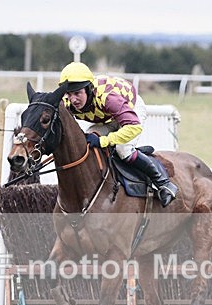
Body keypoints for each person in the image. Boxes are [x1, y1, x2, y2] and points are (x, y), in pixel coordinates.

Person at [58, 61, 178, 207]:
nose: (73, 99)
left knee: (123, 149)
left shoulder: (108, 98)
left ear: (89, 89)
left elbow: (133, 127)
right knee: (87, 142)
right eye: (69, 94)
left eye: (77, 93)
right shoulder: (68, 102)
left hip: (130, 110)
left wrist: (105, 141)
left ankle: (163, 183)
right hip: (107, 117)